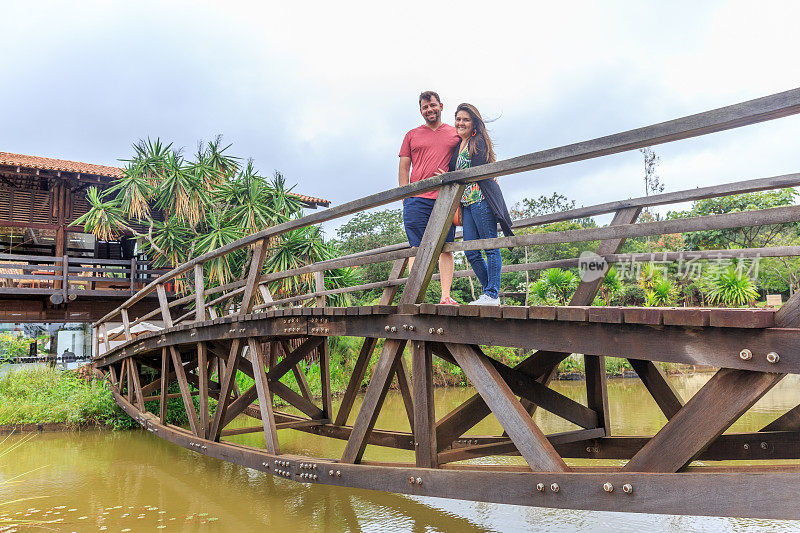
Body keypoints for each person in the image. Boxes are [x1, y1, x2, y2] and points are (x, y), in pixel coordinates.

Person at [447, 103, 514, 305]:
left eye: (466, 119)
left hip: (482, 200)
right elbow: (457, 173)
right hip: (467, 204)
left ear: (474, 122)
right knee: (470, 251)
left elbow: (484, 169)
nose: (461, 123)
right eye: (458, 119)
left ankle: (492, 294)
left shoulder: (479, 142)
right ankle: (490, 293)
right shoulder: (458, 146)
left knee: (490, 247)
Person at [399, 91, 461, 304]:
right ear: (421, 111)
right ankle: (415, 296)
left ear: (441, 106)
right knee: (416, 248)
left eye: (433, 105)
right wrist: (404, 196)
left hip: (444, 198)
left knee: (446, 246)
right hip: (416, 199)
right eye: (425, 107)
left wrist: (452, 177)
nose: (429, 110)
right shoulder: (411, 135)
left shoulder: (455, 134)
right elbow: (404, 166)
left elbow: (465, 161)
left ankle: (445, 296)